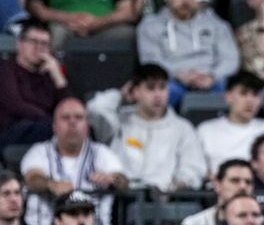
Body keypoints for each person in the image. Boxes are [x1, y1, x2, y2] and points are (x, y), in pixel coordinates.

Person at [85, 64, 206, 194]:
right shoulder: (119, 121)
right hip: (120, 196)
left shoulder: (182, 127)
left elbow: (194, 167)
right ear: (136, 91)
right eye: (150, 88)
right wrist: (121, 95)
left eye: (162, 88)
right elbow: (94, 109)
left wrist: (178, 186)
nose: (158, 95)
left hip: (164, 199)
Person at [20, 97, 128, 225]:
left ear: (87, 125)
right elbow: (32, 178)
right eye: (65, 118)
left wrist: (112, 179)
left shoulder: (101, 153)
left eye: (78, 117)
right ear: (54, 126)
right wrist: (50, 184)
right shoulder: (39, 151)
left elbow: (124, 182)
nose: (72, 122)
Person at [136, 0, 240, 107]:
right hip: (172, 79)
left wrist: (212, 76)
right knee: (160, 91)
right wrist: (179, 75)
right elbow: (151, 61)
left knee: (233, 93)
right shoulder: (150, 25)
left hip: (211, 79)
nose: (186, 0)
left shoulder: (216, 24)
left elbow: (231, 59)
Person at [0, 20, 71, 149]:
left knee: (80, 127)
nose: (39, 48)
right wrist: (56, 123)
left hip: (42, 130)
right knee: (66, 129)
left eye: (44, 44)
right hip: (8, 132)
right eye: (33, 41)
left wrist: (58, 77)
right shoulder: (4, 69)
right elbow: (15, 105)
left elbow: (69, 108)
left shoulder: (49, 74)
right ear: (19, 44)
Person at [196, 72, 264, 173]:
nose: (250, 101)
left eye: (255, 94)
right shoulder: (206, 130)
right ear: (228, 97)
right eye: (243, 94)